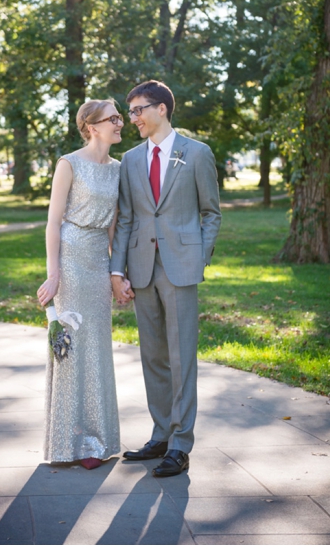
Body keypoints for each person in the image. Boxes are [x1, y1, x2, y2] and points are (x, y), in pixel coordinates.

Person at [110, 80, 221, 478]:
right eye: (132, 111)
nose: (133, 118)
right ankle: (160, 434)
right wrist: (117, 270)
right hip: (141, 267)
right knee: (153, 355)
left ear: (161, 109)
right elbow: (125, 219)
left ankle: (180, 443)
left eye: (139, 110)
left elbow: (211, 212)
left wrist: (199, 257)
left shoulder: (197, 154)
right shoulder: (131, 160)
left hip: (180, 267)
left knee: (181, 356)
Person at [38, 99, 128, 469]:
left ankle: (97, 440)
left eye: (121, 117)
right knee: (71, 348)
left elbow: (113, 226)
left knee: (97, 347)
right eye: (114, 118)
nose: (121, 123)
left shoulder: (119, 169)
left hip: (98, 261)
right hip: (71, 259)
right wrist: (54, 272)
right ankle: (69, 442)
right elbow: (53, 222)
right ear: (91, 126)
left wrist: (116, 273)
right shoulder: (69, 163)